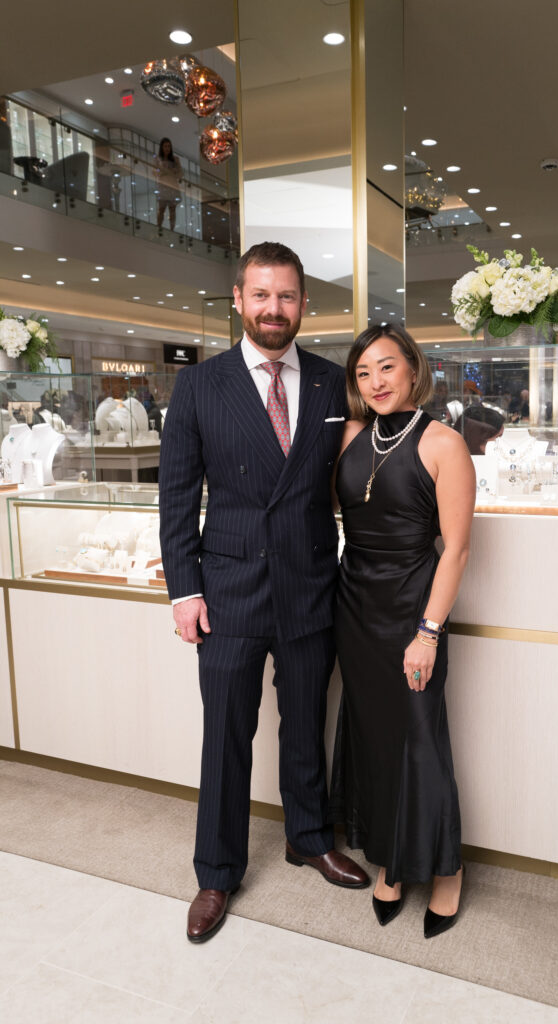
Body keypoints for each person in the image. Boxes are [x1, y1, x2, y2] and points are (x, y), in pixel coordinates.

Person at [159, 241, 369, 945]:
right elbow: (177, 497)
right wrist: (183, 590)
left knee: (305, 721)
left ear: (303, 304)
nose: (273, 309)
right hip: (227, 587)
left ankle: (309, 836)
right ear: (239, 301)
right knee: (226, 735)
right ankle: (216, 871)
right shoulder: (199, 385)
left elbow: (356, 475)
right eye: (261, 296)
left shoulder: (331, 383)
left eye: (286, 296)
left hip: (311, 581)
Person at [330, 323, 475, 938]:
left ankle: (446, 871)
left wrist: (428, 632)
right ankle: (390, 860)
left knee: (420, 739)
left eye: (386, 368)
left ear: (413, 369)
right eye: (364, 373)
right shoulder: (352, 435)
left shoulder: (444, 443)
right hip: (354, 604)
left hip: (412, 608)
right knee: (373, 735)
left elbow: (457, 551)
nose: (376, 382)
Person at [154, 137, 182, 231]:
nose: (167, 148)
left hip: (173, 186)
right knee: (161, 208)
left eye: (169, 146)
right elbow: (155, 172)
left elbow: (180, 174)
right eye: (165, 146)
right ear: (162, 147)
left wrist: (166, 171)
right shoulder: (158, 159)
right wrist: (170, 171)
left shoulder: (175, 159)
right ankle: (159, 227)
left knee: (172, 209)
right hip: (163, 186)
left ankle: (172, 229)